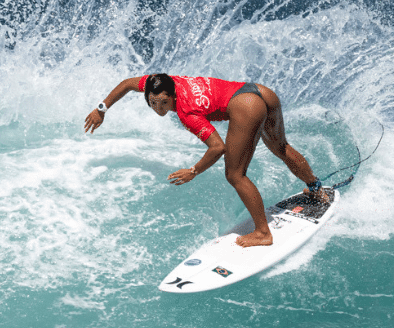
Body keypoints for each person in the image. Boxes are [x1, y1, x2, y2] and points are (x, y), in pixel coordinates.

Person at [84, 74, 326, 247]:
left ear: (173, 96)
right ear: (147, 94)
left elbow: (217, 147)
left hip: (245, 106)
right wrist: (101, 109)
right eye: (153, 102)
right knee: (280, 147)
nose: (158, 108)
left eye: (164, 103)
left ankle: (263, 232)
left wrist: (194, 170)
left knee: (234, 174)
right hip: (257, 91)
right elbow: (127, 84)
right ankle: (316, 189)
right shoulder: (165, 80)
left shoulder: (186, 112)